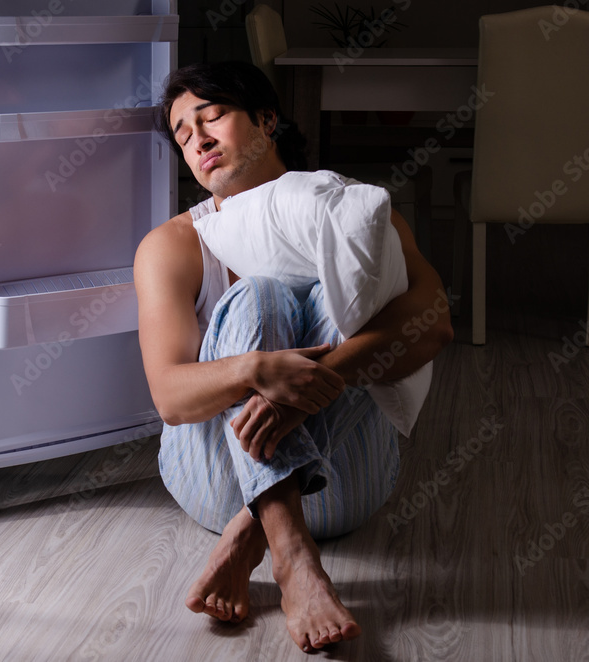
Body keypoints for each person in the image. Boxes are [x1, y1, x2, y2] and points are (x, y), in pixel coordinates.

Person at [133, 61, 452, 653]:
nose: (197, 139)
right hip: (213, 479)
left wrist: (317, 383)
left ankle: (249, 534)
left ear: (267, 120)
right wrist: (255, 370)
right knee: (261, 294)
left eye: (213, 116)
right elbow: (170, 399)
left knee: (353, 309)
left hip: (347, 485)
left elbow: (436, 324)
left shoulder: (355, 212)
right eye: (182, 134)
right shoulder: (173, 244)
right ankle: (293, 555)